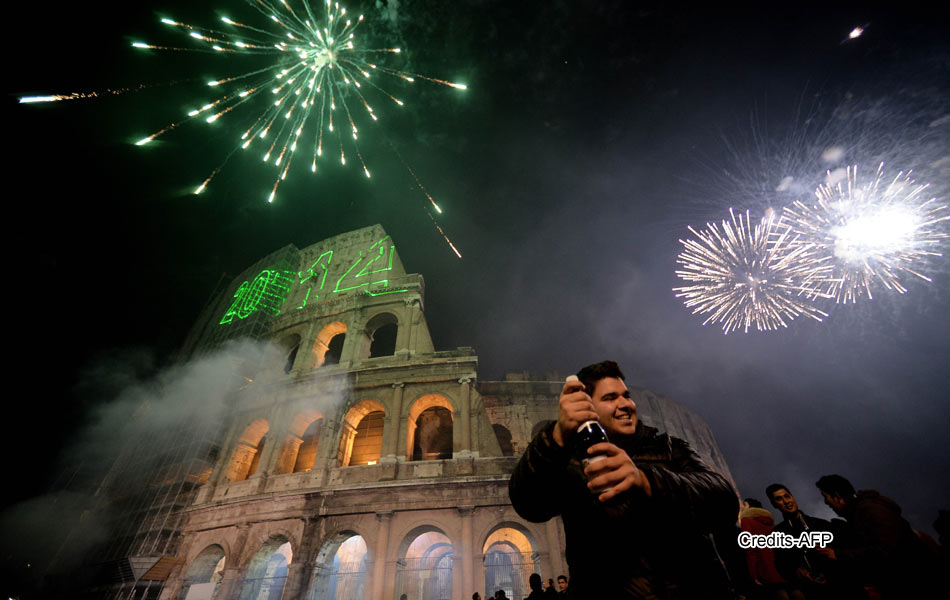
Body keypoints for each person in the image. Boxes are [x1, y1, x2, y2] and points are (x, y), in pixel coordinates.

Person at [509, 360, 737, 598]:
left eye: (626, 396)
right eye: (610, 398)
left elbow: (724, 502)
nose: (625, 404)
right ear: (587, 407)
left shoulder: (669, 447)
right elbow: (528, 503)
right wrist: (554, 438)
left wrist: (647, 481)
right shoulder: (571, 463)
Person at [814, 474, 938, 598]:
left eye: (825, 497)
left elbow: (887, 549)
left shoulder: (870, 510)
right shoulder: (860, 512)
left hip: (917, 582)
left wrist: (839, 554)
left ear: (837, 497)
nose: (825, 502)